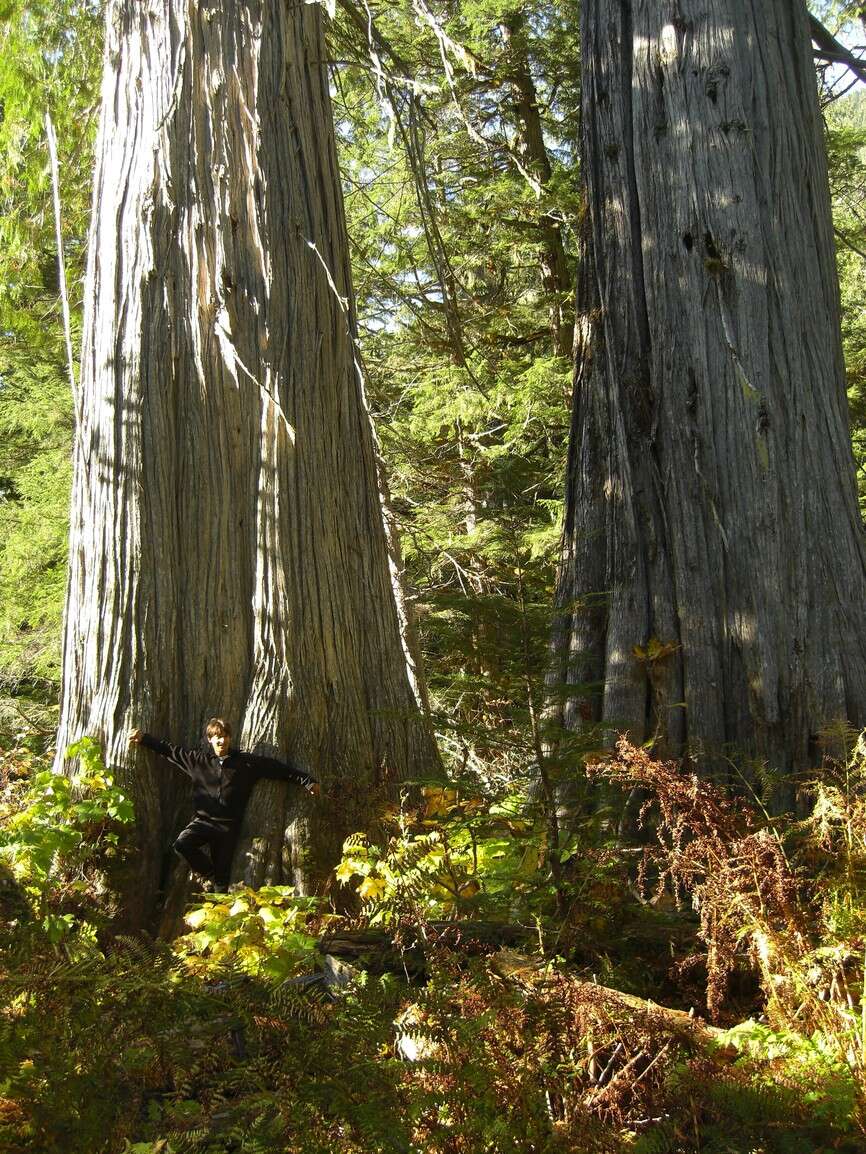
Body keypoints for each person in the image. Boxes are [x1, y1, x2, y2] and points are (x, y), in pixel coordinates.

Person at [128, 717, 320, 892]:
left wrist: (307, 780)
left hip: (228, 828)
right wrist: (144, 739)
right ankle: (209, 875)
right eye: (217, 737)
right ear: (209, 739)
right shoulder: (198, 762)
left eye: (225, 736)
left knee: (223, 882)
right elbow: (170, 750)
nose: (222, 740)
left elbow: (277, 769)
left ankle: (219, 909)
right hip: (203, 822)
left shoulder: (246, 763)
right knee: (182, 844)